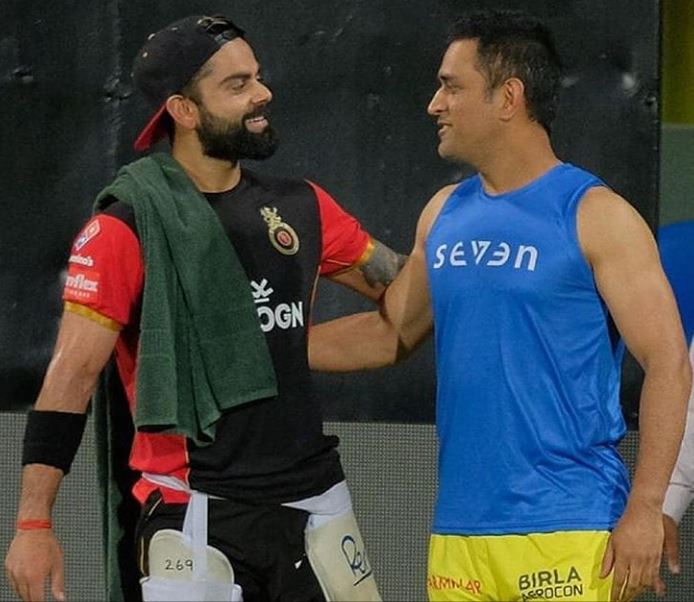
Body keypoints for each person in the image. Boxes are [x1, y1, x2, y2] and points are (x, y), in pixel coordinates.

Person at [5, 14, 404, 602]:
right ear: (184, 110)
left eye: (258, 76)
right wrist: (34, 523)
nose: (262, 93)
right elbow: (71, 378)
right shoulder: (126, 226)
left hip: (319, 504)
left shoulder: (304, 207)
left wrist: (461, 235)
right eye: (237, 85)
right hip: (195, 511)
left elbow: (402, 292)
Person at [309, 10, 692, 601]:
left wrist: (645, 507)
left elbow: (668, 362)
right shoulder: (442, 213)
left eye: (451, 86)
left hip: (570, 530)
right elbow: (389, 334)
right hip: (460, 537)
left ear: (509, 96)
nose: (435, 104)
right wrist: (269, 347)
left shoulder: (598, 215)